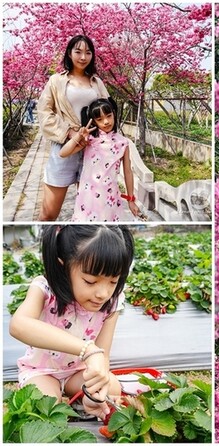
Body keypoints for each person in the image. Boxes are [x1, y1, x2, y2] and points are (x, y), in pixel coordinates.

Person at [9, 225, 135, 420]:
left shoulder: (112, 303)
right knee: (43, 406)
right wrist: (87, 350)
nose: (103, 293)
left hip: (78, 373)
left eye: (113, 282)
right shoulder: (44, 290)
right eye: (90, 281)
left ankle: (83, 402)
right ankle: (64, 399)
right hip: (41, 371)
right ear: (63, 266)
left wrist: (96, 390)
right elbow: (19, 325)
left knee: (112, 388)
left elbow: (102, 356)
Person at [36, 35, 110, 221]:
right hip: (64, 147)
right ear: (69, 53)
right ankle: (46, 249)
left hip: (92, 149)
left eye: (88, 52)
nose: (83, 57)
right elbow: (44, 112)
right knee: (48, 215)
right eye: (78, 51)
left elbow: (108, 111)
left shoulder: (97, 82)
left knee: (88, 213)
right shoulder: (56, 81)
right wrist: (70, 132)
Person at [61, 98, 140, 221]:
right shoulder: (90, 140)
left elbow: (128, 172)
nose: (106, 121)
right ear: (94, 122)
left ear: (114, 113)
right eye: (100, 119)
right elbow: (63, 153)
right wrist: (79, 136)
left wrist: (131, 200)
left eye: (109, 116)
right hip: (88, 197)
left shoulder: (123, 143)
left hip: (110, 197)